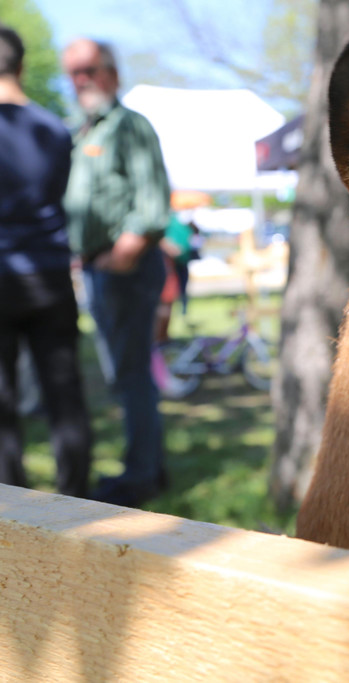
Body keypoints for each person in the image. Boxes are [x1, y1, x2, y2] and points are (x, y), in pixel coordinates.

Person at [62, 38, 170, 507]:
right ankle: (148, 468)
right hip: (98, 267)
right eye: (74, 72)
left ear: (112, 71)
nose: (81, 80)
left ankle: (141, 477)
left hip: (125, 269)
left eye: (89, 69)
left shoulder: (129, 125)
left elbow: (152, 205)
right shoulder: (83, 130)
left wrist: (120, 256)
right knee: (124, 375)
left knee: (131, 374)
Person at [0, 24, 93, 497]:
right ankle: (75, 500)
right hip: (50, 274)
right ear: (21, 65)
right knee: (64, 393)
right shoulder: (55, 129)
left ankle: (8, 506)